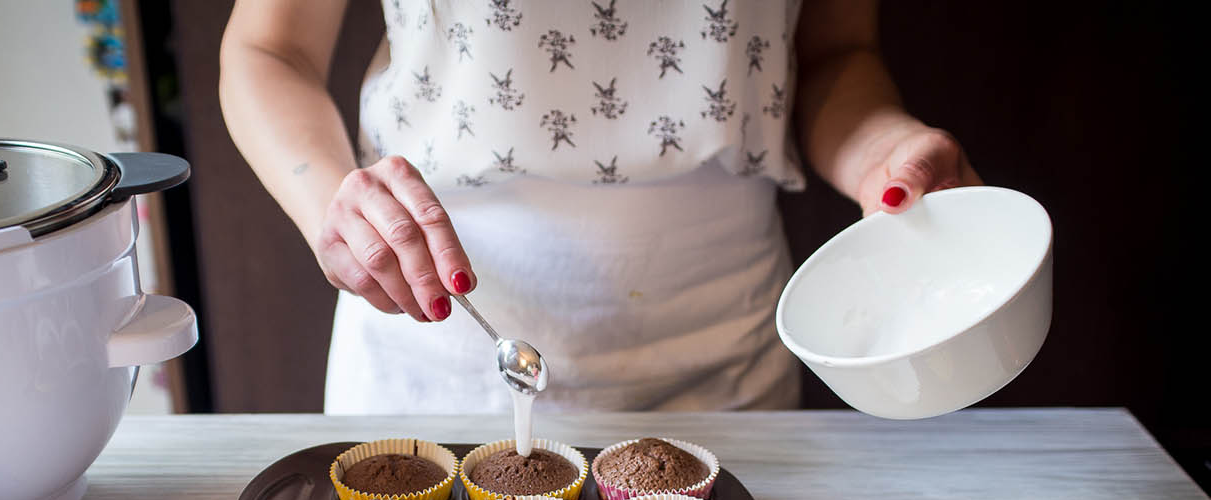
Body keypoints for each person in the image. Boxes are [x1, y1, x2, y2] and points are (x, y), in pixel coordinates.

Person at [220, 0, 979, 414]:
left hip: (725, 365)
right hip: (435, 359)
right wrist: (330, 198)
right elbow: (268, 51)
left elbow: (835, 52)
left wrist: (885, 152)